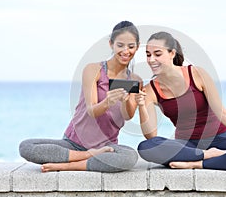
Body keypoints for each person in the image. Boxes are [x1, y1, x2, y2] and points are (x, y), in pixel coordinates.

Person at [135, 31, 226, 172]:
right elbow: (151, 136)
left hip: (220, 140)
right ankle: (207, 156)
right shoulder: (150, 90)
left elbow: (222, 113)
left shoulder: (197, 74)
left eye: (157, 54)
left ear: (172, 53)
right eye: (148, 54)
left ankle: (196, 163)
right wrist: (141, 106)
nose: (151, 59)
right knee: (146, 147)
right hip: (186, 145)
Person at [19, 21, 141, 172]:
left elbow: (128, 115)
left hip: (106, 148)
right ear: (111, 44)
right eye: (120, 45)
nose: (125, 51)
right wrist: (108, 102)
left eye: (131, 46)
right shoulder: (93, 69)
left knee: (130, 157)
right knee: (26, 147)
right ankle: (88, 155)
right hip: (74, 143)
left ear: (137, 46)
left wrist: (125, 101)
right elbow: (91, 110)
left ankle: (68, 165)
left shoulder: (135, 80)